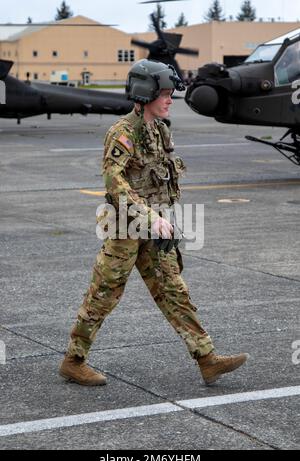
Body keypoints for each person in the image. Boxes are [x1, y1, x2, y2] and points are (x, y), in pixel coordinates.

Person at [59, 59, 248, 386]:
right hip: (125, 229)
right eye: (164, 94)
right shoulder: (122, 133)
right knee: (104, 294)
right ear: (146, 95)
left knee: (175, 290)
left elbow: (161, 180)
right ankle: (73, 361)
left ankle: (206, 358)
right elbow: (114, 184)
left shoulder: (160, 130)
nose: (169, 100)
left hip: (156, 225)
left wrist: (165, 219)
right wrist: (150, 218)